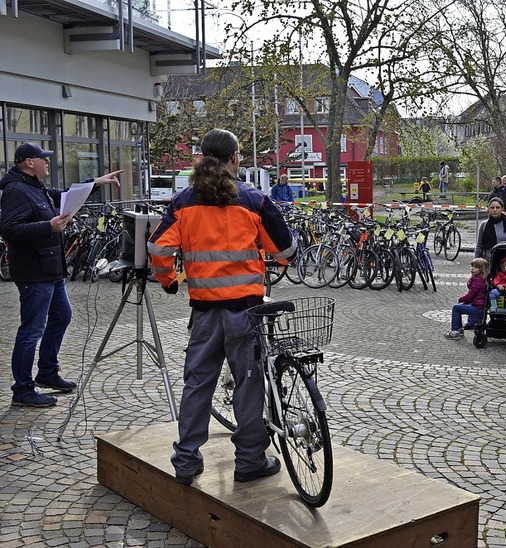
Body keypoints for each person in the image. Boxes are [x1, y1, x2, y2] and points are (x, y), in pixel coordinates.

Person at [147, 128, 296, 486]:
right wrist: (271, 259)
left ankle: (186, 461)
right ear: (233, 158)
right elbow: (285, 250)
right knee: (247, 384)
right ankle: (248, 461)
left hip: (203, 311)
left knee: (198, 383)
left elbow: (157, 250)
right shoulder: (254, 200)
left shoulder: (183, 202)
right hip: (245, 312)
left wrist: (169, 279)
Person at [0, 142, 121, 407]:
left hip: (51, 269)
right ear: (29, 162)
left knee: (62, 316)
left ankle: (47, 372)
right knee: (31, 330)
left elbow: (66, 195)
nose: (47, 162)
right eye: (43, 158)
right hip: (33, 272)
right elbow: (9, 230)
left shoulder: (36, 186)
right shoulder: (16, 190)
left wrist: (96, 183)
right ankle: (22, 389)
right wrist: (49, 225)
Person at [443, 258, 490, 340]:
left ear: (481, 270)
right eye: (472, 266)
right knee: (462, 307)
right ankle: (459, 329)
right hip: (481, 307)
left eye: (475, 267)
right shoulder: (482, 280)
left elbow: (470, 296)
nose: (472, 269)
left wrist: (461, 299)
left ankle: (455, 331)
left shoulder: (477, 281)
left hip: (478, 308)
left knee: (456, 308)